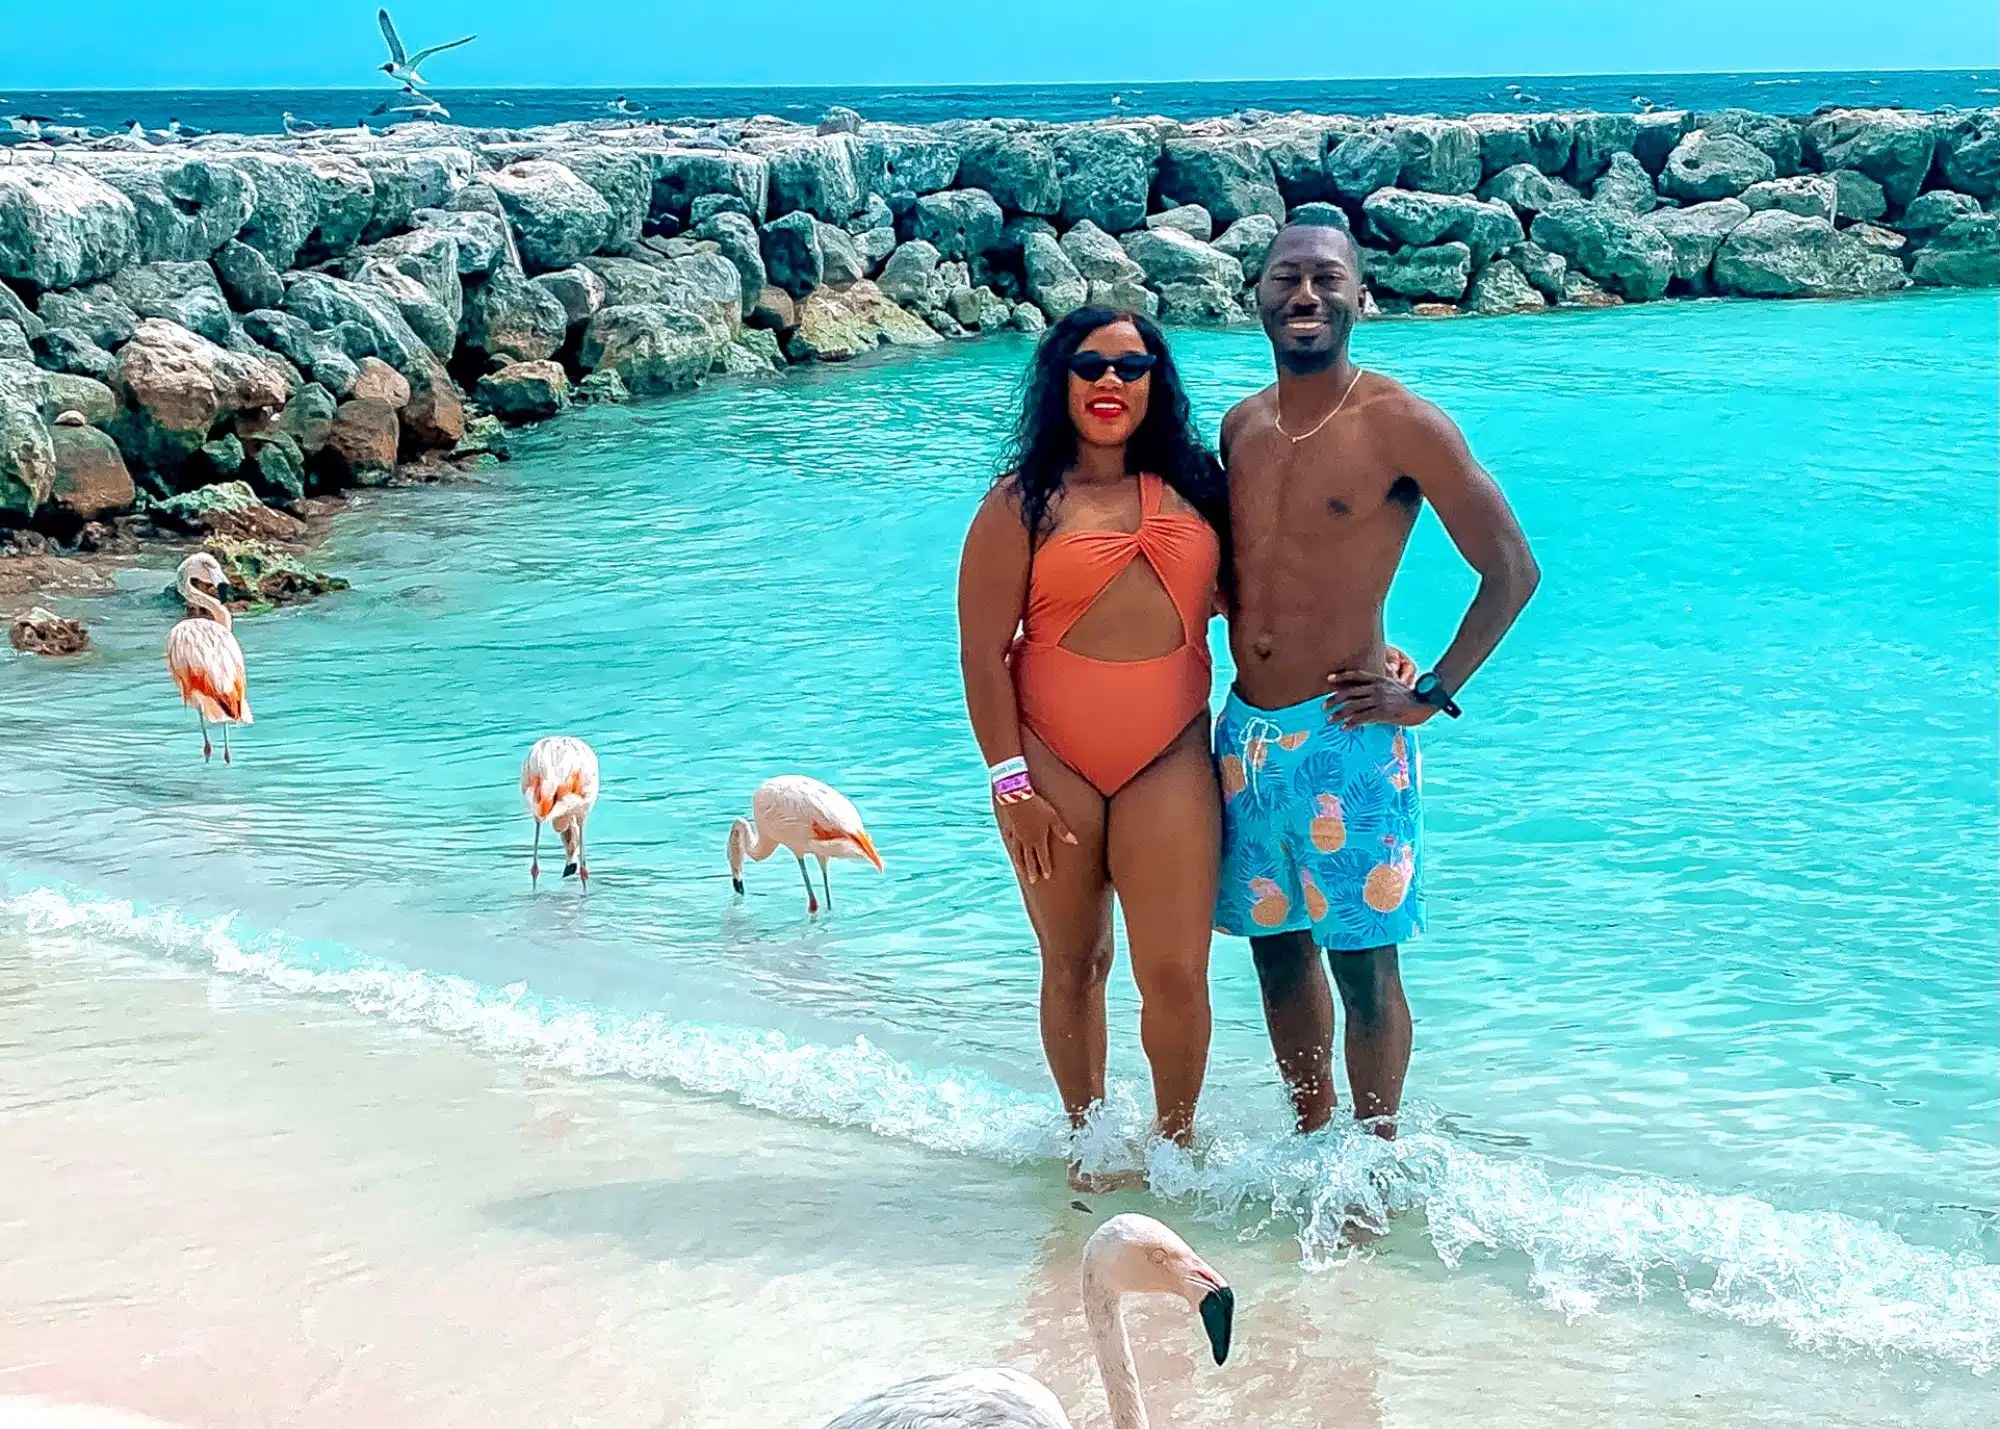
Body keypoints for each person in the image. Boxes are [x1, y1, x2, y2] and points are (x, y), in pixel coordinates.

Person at [1214, 220, 1540, 1139]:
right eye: (1287, 277)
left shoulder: (1400, 421)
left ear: (1363, 297)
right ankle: (1314, 1143)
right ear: (1259, 295)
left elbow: (1512, 568)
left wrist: (1430, 691)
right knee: (1276, 961)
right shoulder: (1241, 426)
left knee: (1365, 970)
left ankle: (1373, 1161)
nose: (1305, 294)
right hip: (1243, 739)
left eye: (1326, 278)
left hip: (1348, 738)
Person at [956, 308, 1228, 1184]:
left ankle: (1176, 1149)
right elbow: (982, 653)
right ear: (1060, 380)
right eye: (1089, 365)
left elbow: (1273, 605)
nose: (1110, 382)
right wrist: (1010, 784)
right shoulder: (1019, 503)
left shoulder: (1202, 488)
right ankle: (1090, 1141)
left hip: (1171, 755)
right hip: (1048, 764)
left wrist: (1367, 649)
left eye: (1130, 365)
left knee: (1176, 971)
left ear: (1156, 380)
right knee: (1075, 961)